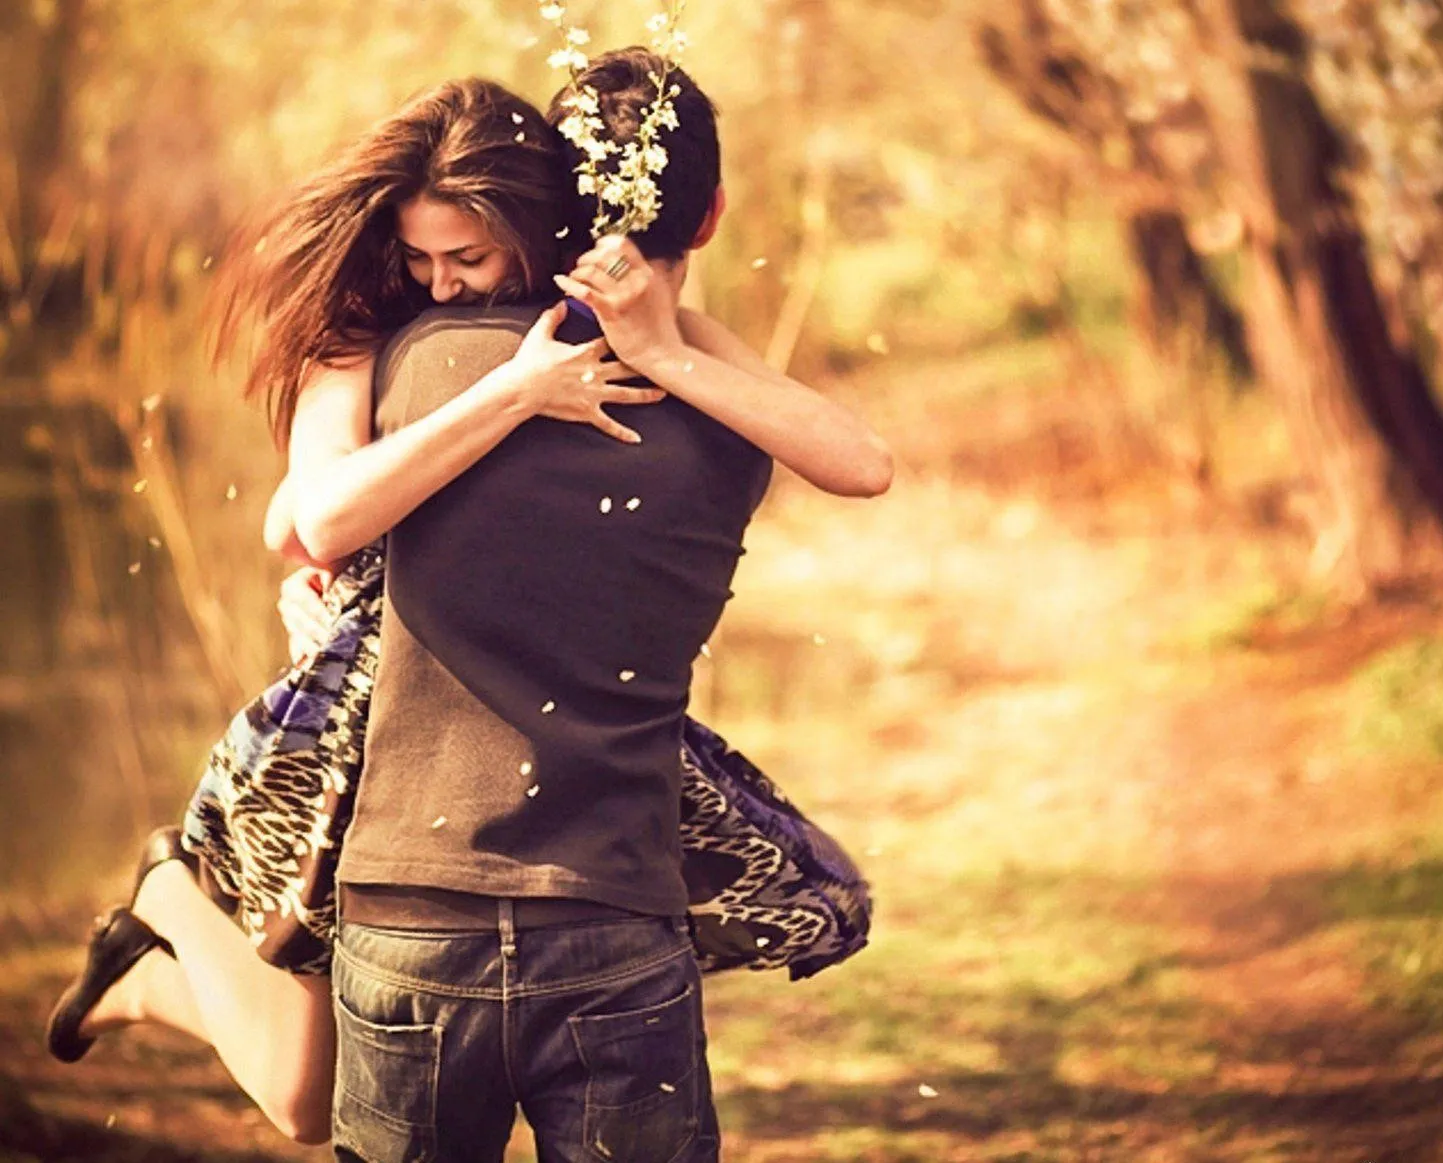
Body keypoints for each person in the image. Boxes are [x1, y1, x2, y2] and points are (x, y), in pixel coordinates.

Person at [44, 64, 887, 1155]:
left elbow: (854, 457)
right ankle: (168, 910)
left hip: (463, 827)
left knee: (306, 1094)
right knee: (307, 1090)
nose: (441, 284)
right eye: (420, 257)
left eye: (469, 257)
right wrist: (509, 399)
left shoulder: (635, 346)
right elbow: (301, 524)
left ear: (535, 232)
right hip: (353, 758)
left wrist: (658, 351)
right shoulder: (364, 332)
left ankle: (153, 963)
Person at [323, 49, 885, 1162]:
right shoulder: (732, 425)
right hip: (610, 909)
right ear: (714, 213)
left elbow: (312, 526)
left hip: (406, 903)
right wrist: (669, 351)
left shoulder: (419, 361)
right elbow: (860, 460)